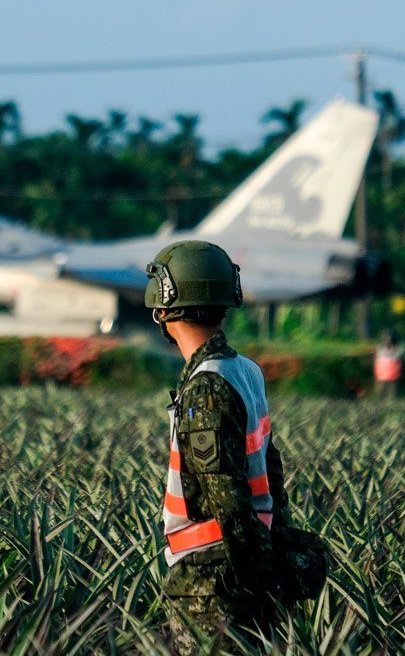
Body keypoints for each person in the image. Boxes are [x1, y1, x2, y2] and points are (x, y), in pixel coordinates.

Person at [145, 240, 291, 654]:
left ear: (166, 307)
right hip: (246, 563)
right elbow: (271, 470)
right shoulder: (246, 370)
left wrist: (255, 581)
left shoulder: (205, 386)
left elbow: (225, 497)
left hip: (212, 576)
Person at [374, 328, 404, 398]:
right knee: (380, 396)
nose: (388, 340)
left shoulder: (399, 350)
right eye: (386, 337)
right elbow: (376, 363)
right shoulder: (380, 350)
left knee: (393, 396)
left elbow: (403, 365)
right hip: (381, 377)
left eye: (389, 337)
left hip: (394, 378)